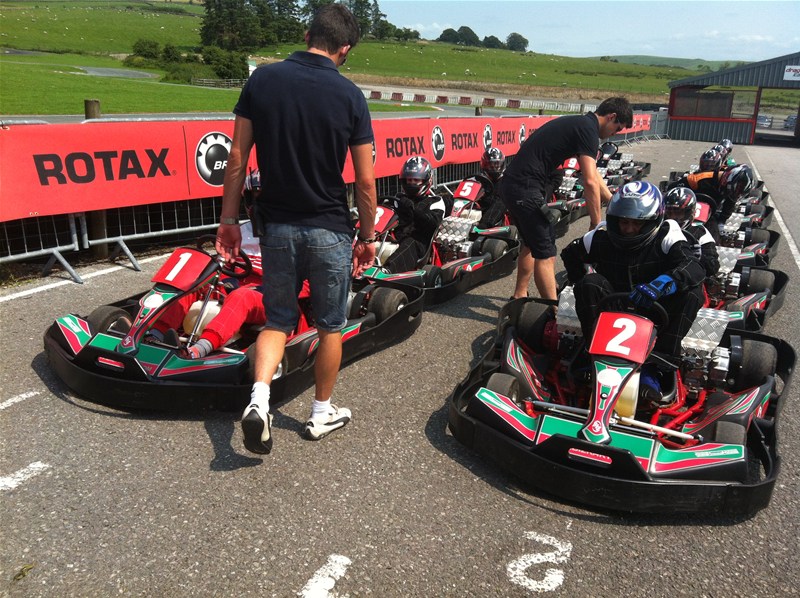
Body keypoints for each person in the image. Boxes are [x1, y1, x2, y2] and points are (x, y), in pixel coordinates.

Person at [214, 3, 378, 455]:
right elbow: (365, 181)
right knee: (330, 326)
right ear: (345, 49)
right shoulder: (351, 96)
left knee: (278, 320)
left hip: (278, 226)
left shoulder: (263, 79)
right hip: (329, 227)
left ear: (308, 35)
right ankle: (321, 412)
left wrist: (228, 222)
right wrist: (367, 237)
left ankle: (259, 399)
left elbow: (237, 158)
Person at [501, 97, 633, 301]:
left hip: (513, 185)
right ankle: (553, 309)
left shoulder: (581, 124)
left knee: (531, 243)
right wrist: (596, 223)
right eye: (617, 128)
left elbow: (593, 174)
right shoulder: (588, 130)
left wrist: (612, 199)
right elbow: (589, 181)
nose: (614, 134)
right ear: (611, 116)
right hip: (525, 188)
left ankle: (519, 295)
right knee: (546, 252)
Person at [560, 181, 705, 359]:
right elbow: (570, 254)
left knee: (693, 293)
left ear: (652, 221)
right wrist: (579, 280)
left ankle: (662, 359)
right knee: (589, 283)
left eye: (637, 223)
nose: (629, 229)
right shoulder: (600, 238)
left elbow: (694, 266)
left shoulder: (667, 236)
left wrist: (661, 284)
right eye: (624, 222)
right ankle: (593, 348)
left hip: (656, 308)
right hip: (612, 305)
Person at [380, 157, 453, 273]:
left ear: (426, 180)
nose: (411, 184)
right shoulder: (398, 199)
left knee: (411, 243)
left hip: (419, 244)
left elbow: (433, 223)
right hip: (394, 237)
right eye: (409, 180)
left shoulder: (435, 201)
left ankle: (387, 271)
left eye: (416, 180)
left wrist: (413, 210)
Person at [664, 187, 719, 278]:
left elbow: (713, 267)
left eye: (678, 213)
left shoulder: (700, 233)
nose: (672, 217)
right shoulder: (658, 229)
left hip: (687, 278)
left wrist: (700, 258)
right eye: (669, 212)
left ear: (690, 213)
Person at [474, 147, 508, 229]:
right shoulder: (479, 179)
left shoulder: (506, 180)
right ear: (484, 165)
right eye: (491, 165)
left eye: (496, 164)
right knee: (451, 199)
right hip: (481, 205)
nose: (494, 168)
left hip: (496, 210)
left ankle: (484, 226)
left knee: (502, 201)